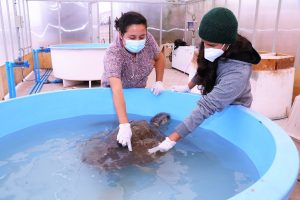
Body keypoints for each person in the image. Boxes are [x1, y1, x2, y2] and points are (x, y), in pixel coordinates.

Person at [148, 7, 261, 154]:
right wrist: (188, 86)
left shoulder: (238, 73)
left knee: (223, 149)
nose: (207, 48)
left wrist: (171, 139)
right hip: (216, 98)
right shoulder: (218, 48)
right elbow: (206, 70)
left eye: (212, 45)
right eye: (204, 43)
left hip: (236, 108)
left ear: (227, 43)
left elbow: (206, 107)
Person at [101, 11, 165, 152]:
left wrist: (159, 81)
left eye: (141, 36)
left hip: (138, 89)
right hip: (116, 91)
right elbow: (117, 90)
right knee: (115, 134)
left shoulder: (148, 40)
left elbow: (159, 58)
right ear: (121, 35)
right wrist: (124, 125)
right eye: (132, 37)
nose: (138, 41)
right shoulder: (113, 53)